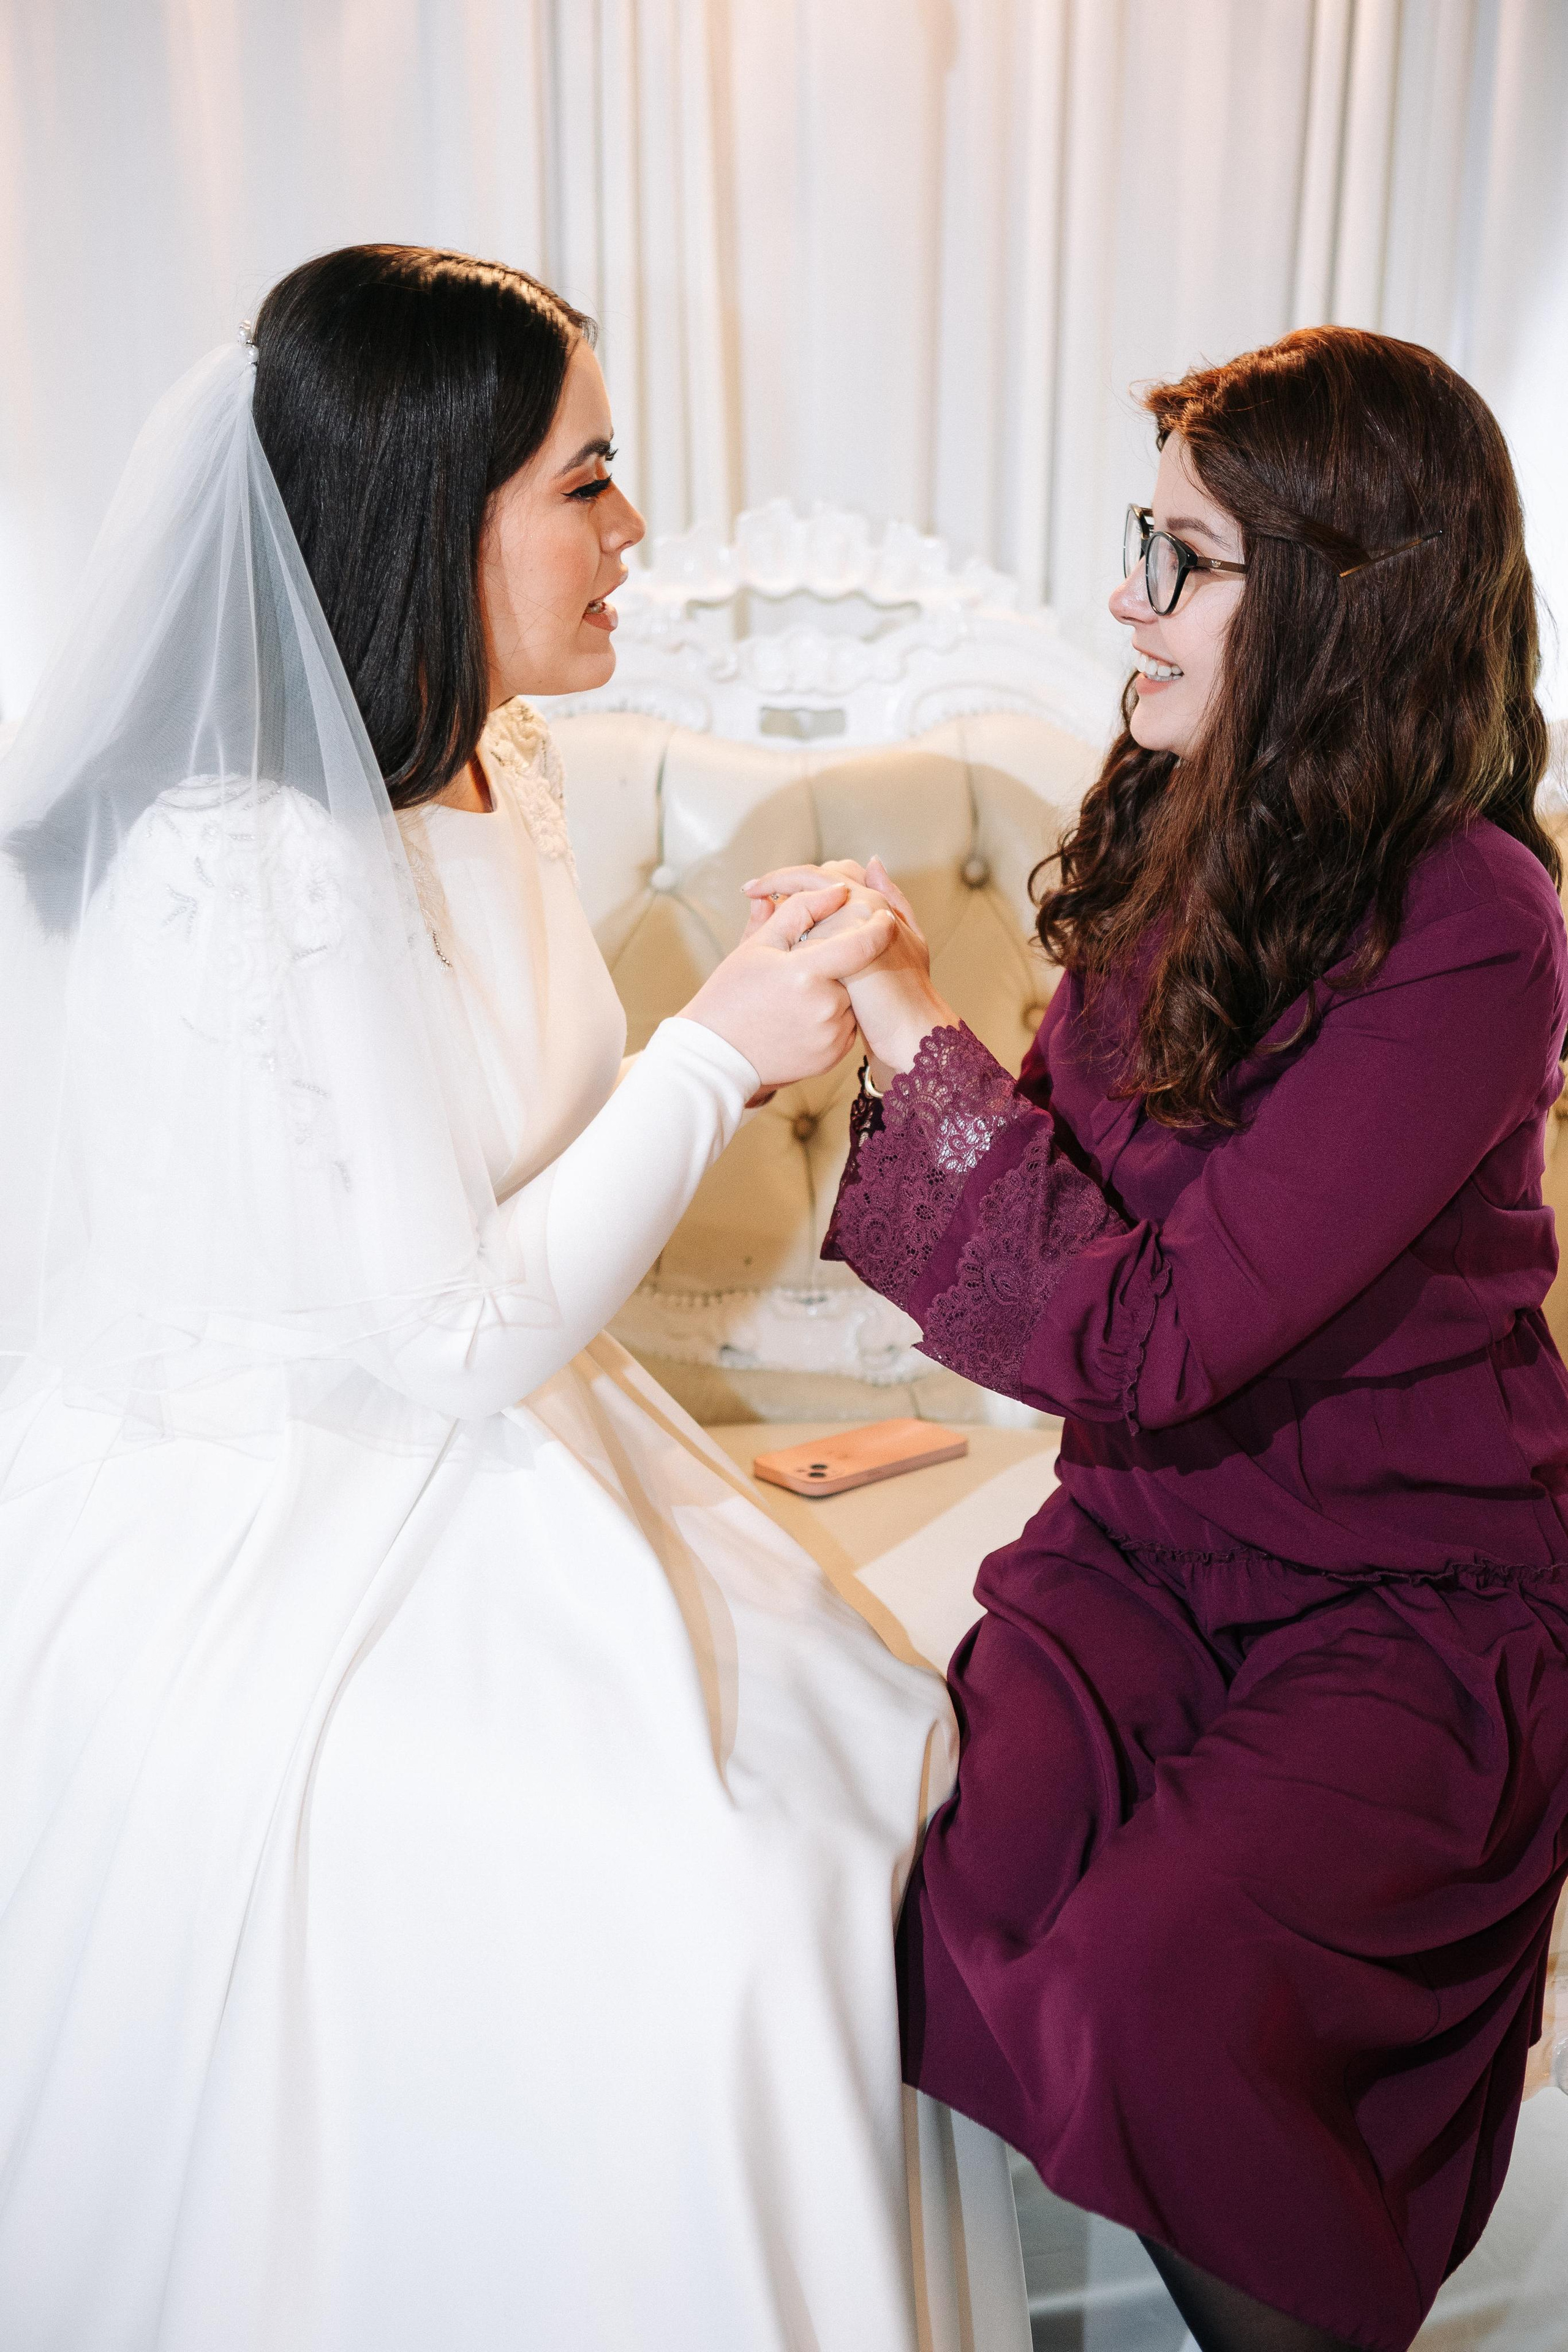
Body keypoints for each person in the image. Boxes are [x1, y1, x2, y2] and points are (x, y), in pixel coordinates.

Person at [0, 246, 1028, 2351]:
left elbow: (531, 1163)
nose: (634, 528)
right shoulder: (243, 853)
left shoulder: (499, 764)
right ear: (426, 503)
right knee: (727, 1903)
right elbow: (443, 1328)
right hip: (301, 1514)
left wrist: (781, 1027)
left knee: (885, 1745)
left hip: (531, 1443)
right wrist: (713, 1053)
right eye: (589, 478)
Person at [744, 327, 1568, 2352]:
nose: (1126, 595)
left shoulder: (1479, 921)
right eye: (1146, 539)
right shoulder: (1164, 812)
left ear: (1341, 598)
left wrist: (923, 1044)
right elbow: (1075, 1218)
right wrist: (919, 1013)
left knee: (1151, 2003)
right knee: (914, 1909)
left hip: (1399, 1598)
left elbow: (1163, 1327)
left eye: (1180, 555)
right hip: (1136, 1559)